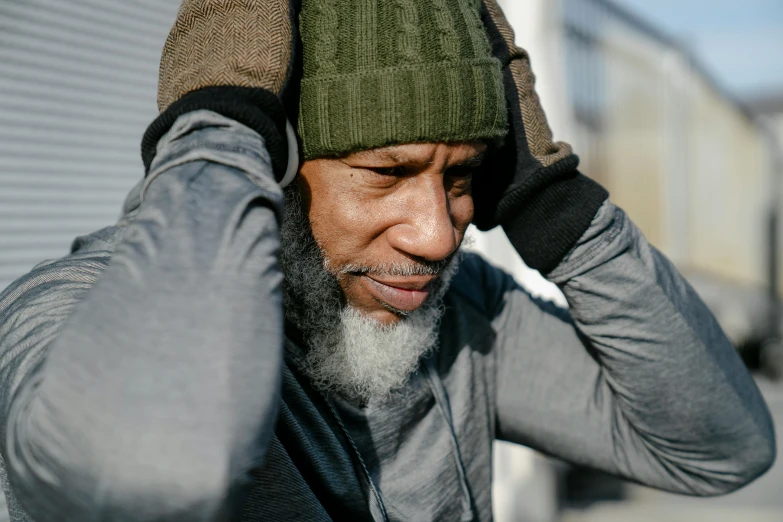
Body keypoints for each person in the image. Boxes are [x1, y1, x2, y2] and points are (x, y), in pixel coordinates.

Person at [0, 1, 776, 521]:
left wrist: (558, 209)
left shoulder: (459, 314)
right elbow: (150, 464)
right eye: (387, 173)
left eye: (462, 177)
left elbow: (719, 448)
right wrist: (214, 129)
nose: (438, 236)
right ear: (268, 162)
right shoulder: (69, 314)